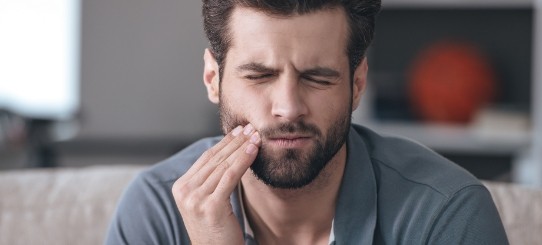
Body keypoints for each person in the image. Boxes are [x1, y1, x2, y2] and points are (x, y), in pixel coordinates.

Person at [105, 0, 509, 244]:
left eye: (317, 78)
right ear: (213, 79)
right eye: (259, 75)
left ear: (357, 84)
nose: (288, 107)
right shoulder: (156, 210)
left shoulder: (446, 212)